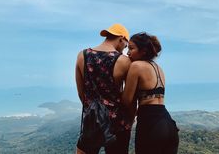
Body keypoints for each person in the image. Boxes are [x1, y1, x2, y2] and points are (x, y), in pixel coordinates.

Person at [75, 23, 133, 154]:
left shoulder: (82, 56)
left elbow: (81, 94)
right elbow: (129, 99)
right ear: (121, 38)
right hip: (117, 124)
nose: (124, 48)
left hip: (92, 121)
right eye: (126, 44)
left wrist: (93, 109)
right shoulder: (124, 61)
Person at [122, 32, 179, 154]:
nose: (127, 53)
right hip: (168, 123)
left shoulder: (136, 66)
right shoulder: (159, 68)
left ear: (143, 51)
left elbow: (126, 101)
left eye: (131, 48)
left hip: (150, 123)